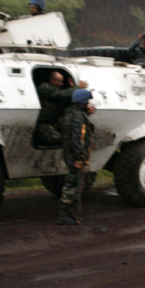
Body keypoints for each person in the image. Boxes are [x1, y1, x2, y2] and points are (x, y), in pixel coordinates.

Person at [57, 89, 95, 225]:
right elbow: (78, 138)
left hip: (70, 153)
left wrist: (87, 113)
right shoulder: (79, 117)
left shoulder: (71, 113)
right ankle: (63, 215)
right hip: (75, 155)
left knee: (75, 184)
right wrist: (79, 157)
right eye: (87, 101)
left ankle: (69, 213)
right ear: (83, 102)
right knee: (72, 186)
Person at [35, 70, 87, 146]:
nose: (61, 84)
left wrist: (73, 87)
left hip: (55, 122)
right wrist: (77, 88)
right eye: (59, 81)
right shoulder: (44, 88)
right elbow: (60, 95)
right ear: (52, 81)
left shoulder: (56, 90)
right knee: (56, 137)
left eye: (62, 82)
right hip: (43, 124)